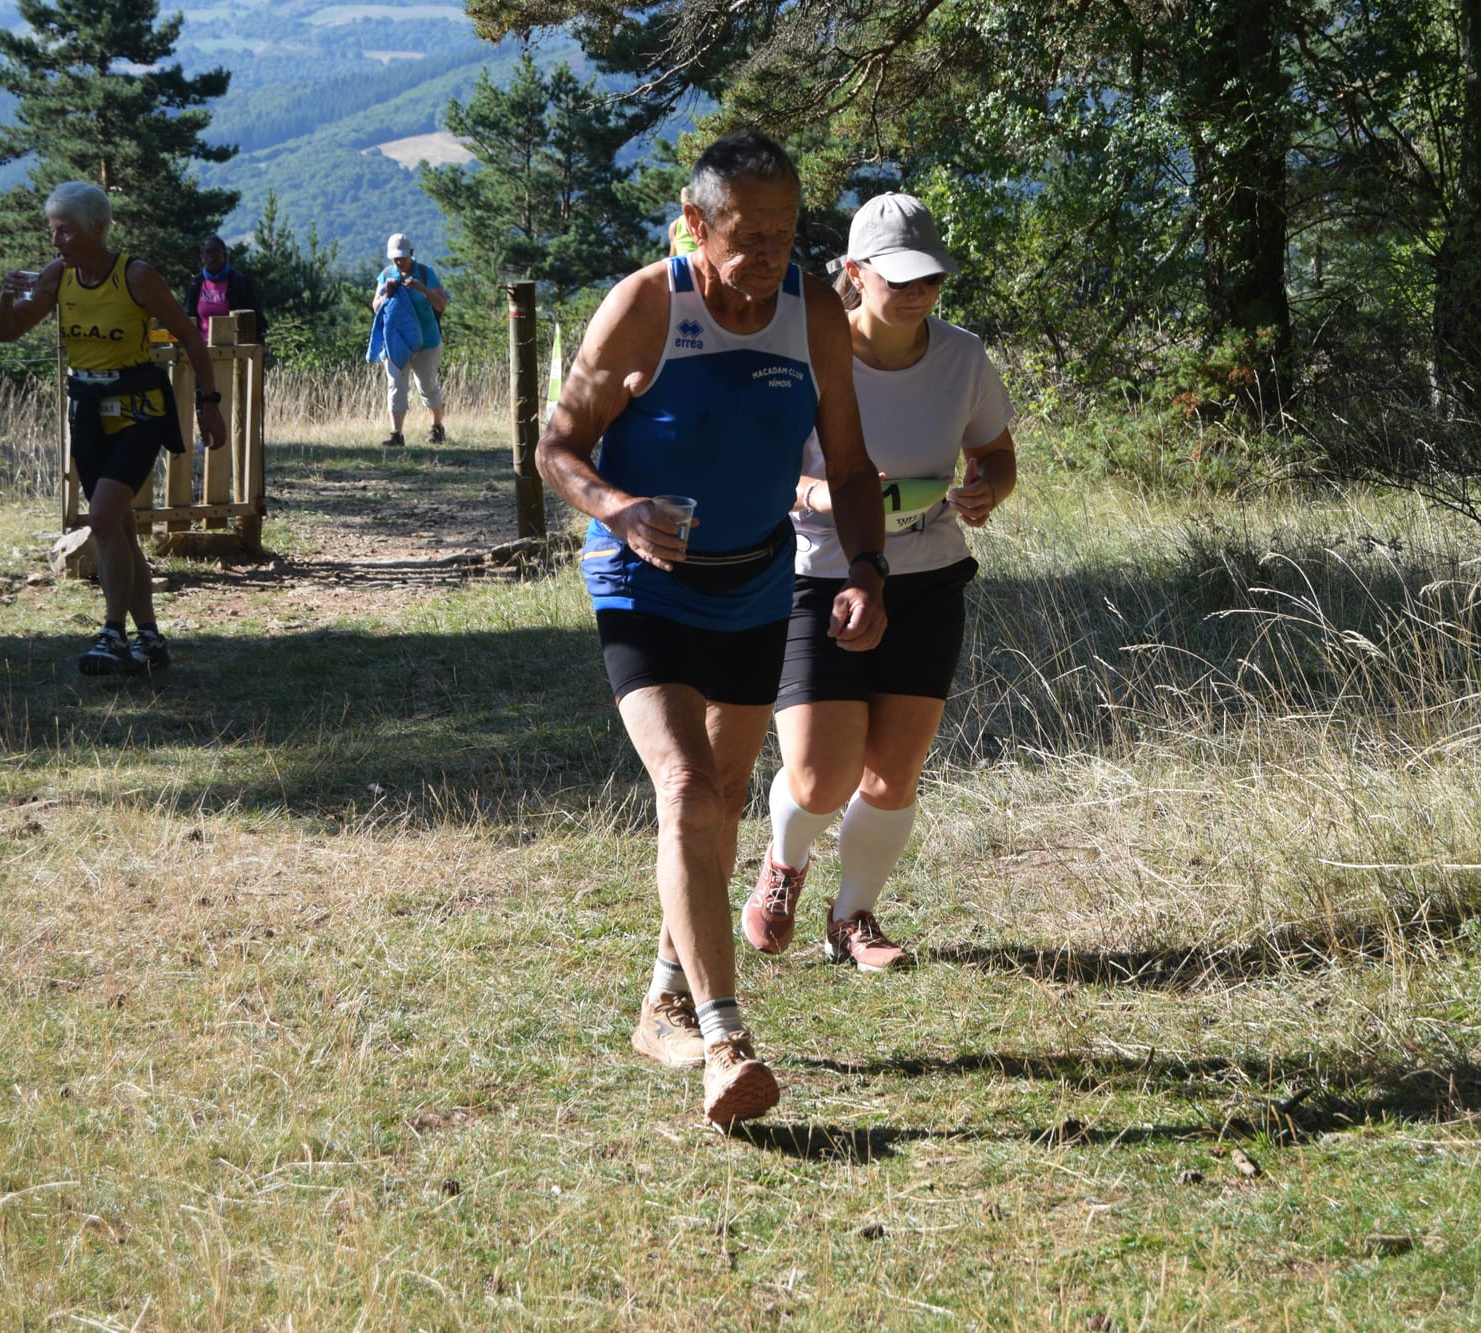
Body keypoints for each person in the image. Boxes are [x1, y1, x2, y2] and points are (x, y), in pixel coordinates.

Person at [535, 129, 889, 1128]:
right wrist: (617, 508)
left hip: (755, 584)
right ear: (696, 222)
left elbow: (851, 464)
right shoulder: (649, 306)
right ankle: (723, 1039)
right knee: (686, 784)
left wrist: (863, 568)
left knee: (727, 796)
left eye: (787, 230)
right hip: (641, 586)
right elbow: (555, 446)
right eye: (751, 230)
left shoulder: (811, 309)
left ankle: (662, 998)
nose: (773, 250)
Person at [743, 192, 1017, 973]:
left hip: (927, 576)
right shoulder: (805, 353)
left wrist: (985, 489)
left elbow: (996, 452)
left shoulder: (961, 356)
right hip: (819, 573)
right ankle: (784, 862)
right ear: (855, 274)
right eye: (900, 279)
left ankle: (853, 916)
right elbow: (765, 468)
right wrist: (815, 494)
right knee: (821, 778)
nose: (919, 293)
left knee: (893, 775)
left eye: (930, 278)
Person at [0, 182, 228, 675]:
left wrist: (209, 404)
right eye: (53, 231)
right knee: (118, 529)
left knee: (102, 518)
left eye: (66, 231)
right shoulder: (59, 277)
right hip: (88, 411)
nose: (56, 241)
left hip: (139, 411)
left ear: (96, 229)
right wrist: (7, 298)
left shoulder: (135, 276)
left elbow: (189, 335)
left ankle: (111, 635)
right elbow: (10, 330)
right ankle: (150, 638)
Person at [369, 233, 448, 447]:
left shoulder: (425, 273)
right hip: (396, 342)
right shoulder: (386, 275)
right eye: (395, 258)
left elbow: (441, 304)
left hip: (427, 341)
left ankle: (437, 427)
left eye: (402, 258)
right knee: (396, 386)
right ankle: (396, 434)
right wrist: (387, 293)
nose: (399, 262)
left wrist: (421, 289)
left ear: (411, 254)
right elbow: (376, 307)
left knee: (427, 386)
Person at [183, 234, 267, 344]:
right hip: (202, 347)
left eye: (216, 251)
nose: (212, 255)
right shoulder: (196, 284)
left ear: (225, 255)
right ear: (202, 257)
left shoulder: (239, 281)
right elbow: (188, 316)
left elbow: (255, 316)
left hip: (235, 347)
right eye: (208, 252)